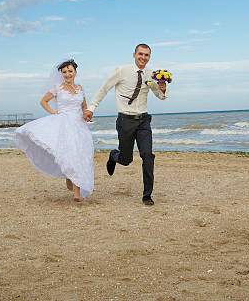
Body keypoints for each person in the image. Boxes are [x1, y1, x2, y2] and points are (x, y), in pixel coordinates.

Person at [83, 44, 168, 205]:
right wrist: (91, 108)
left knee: (148, 156)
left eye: (147, 55)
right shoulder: (122, 71)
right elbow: (104, 88)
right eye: (140, 54)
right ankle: (114, 156)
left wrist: (162, 89)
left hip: (143, 120)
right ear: (134, 54)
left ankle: (147, 195)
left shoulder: (152, 74)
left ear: (150, 57)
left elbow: (160, 96)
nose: (143, 57)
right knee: (126, 159)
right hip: (125, 121)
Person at [14, 59, 94, 202]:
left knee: (79, 155)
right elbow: (43, 101)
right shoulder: (58, 87)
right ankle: (72, 181)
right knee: (69, 153)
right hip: (64, 123)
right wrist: (53, 112)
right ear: (61, 74)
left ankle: (75, 186)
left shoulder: (80, 88)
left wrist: (87, 115)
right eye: (64, 72)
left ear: (75, 72)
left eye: (70, 71)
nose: (68, 74)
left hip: (79, 125)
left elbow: (84, 107)